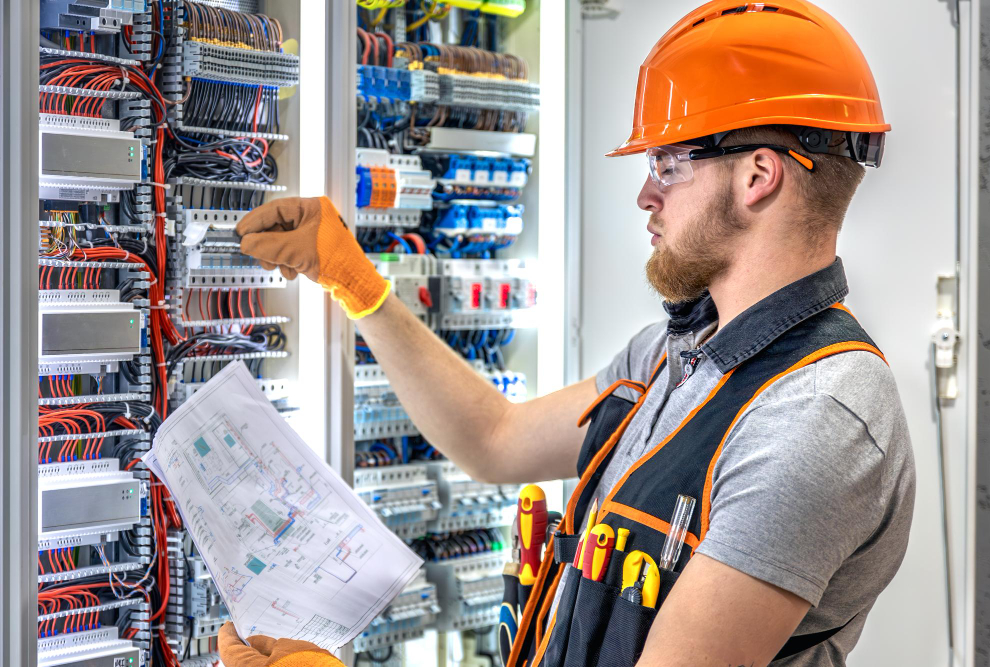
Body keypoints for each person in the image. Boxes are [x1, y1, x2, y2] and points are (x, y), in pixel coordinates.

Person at [218, 0, 915, 665]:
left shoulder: (816, 417)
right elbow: (495, 438)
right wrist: (357, 284)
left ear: (758, 175)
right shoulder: (672, 355)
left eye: (668, 165)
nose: (647, 195)